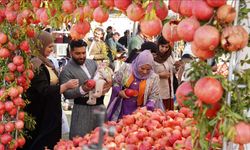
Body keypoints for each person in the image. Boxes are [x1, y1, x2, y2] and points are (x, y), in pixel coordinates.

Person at [22, 31, 79, 150]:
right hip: (41, 113)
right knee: (41, 142)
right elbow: (43, 90)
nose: (51, 49)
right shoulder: (35, 64)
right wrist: (65, 86)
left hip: (50, 111)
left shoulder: (45, 61)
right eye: (49, 46)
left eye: (52, 46)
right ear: (40, 45)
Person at [59, 39, 112, 139]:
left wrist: (106, 84)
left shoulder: (92, 63)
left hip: (100, 107)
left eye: (83, 53)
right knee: (80, 141)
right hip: (82, 110)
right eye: (78, 53)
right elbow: (67, 94)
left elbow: (100, 78)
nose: (82, 56)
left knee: (102, 140)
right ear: (71, 53)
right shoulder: (66, 70)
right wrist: (83, 89)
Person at [107, 50, 160, 121]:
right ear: (138, 63)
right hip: (122, 108)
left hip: (140, 113)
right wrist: (119, 91)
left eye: (148, 69)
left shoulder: (154, 77)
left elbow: (154, 96)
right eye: (142, 68)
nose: (145, 72)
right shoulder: (126, 69)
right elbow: (115, 82)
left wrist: (148, 107)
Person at [153, 36, 176, 110]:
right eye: (162, 46)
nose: (164, 49)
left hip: (169, 93)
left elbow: (172, 70)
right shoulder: (153, 57)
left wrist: (177, 67)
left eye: (166, 47)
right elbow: (147, 75)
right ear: (158, 45)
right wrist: (159, 75)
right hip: (159, 94)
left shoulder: (169, 56)